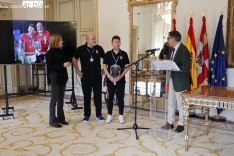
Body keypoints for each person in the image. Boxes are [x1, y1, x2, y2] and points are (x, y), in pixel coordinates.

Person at [161, 31, 192, 133]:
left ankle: (181, 124)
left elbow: (186, 68)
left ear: (173, 39)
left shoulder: (184, 50)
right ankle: (170, 122)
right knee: (171, 102)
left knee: (180, 104)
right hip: (172, 80)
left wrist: (174, 67)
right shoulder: (171, 50)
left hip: (181, 81)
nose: (167, 40)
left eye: (168, 38)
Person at [72, 34, 105, 122]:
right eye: (93, 39)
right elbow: (74, 59)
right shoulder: (81, 49)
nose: (95, 40)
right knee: (87, 96)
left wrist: (104, 70)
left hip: (97, 77)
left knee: (98, 96)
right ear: (87, 40)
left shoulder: (99, 48)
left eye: (95, 38)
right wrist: (77, 70)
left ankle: (99, 114)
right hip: (85, 77)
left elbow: (106, 59)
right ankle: (87, 115)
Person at [46, 34, 71, 128]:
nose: (62, 42)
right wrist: (63, 65)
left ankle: (61, 119)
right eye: (60, 40)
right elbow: (50, 67)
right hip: (55, 77)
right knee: (54, 99)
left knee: (61, 99)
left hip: (62, 76)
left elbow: (62, 63)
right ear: (56, 41)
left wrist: (66, 64)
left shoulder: (61, 51)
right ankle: (53, 121)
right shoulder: (50, 53)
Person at [103, 35, 130, 124]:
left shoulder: (124, 54)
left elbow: (127, 67)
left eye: (118, 42)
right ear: (112, 43)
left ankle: (121, 115)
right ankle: (109, 115)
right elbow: (104, 66)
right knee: (110, 97)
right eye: (115, 42)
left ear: (120, 43)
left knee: (120, 98)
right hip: (110, 80)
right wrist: (109, 76)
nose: (116, 44)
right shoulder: (108, 54)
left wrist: (121, 76)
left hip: (120, 80)